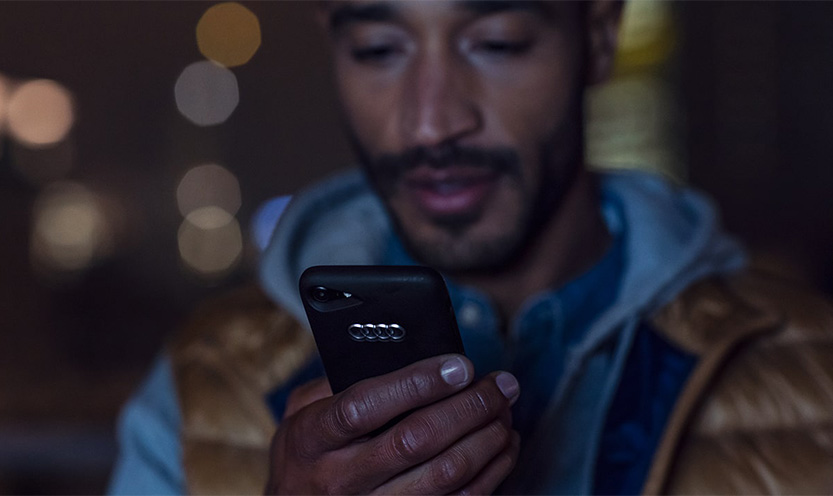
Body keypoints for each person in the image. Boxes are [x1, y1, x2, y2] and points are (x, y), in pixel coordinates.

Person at [109, 1, 833, 494]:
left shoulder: (813, 369)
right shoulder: (200, 386)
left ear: (598, 36)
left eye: (496, 43)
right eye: (378, 49)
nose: (430, 123)